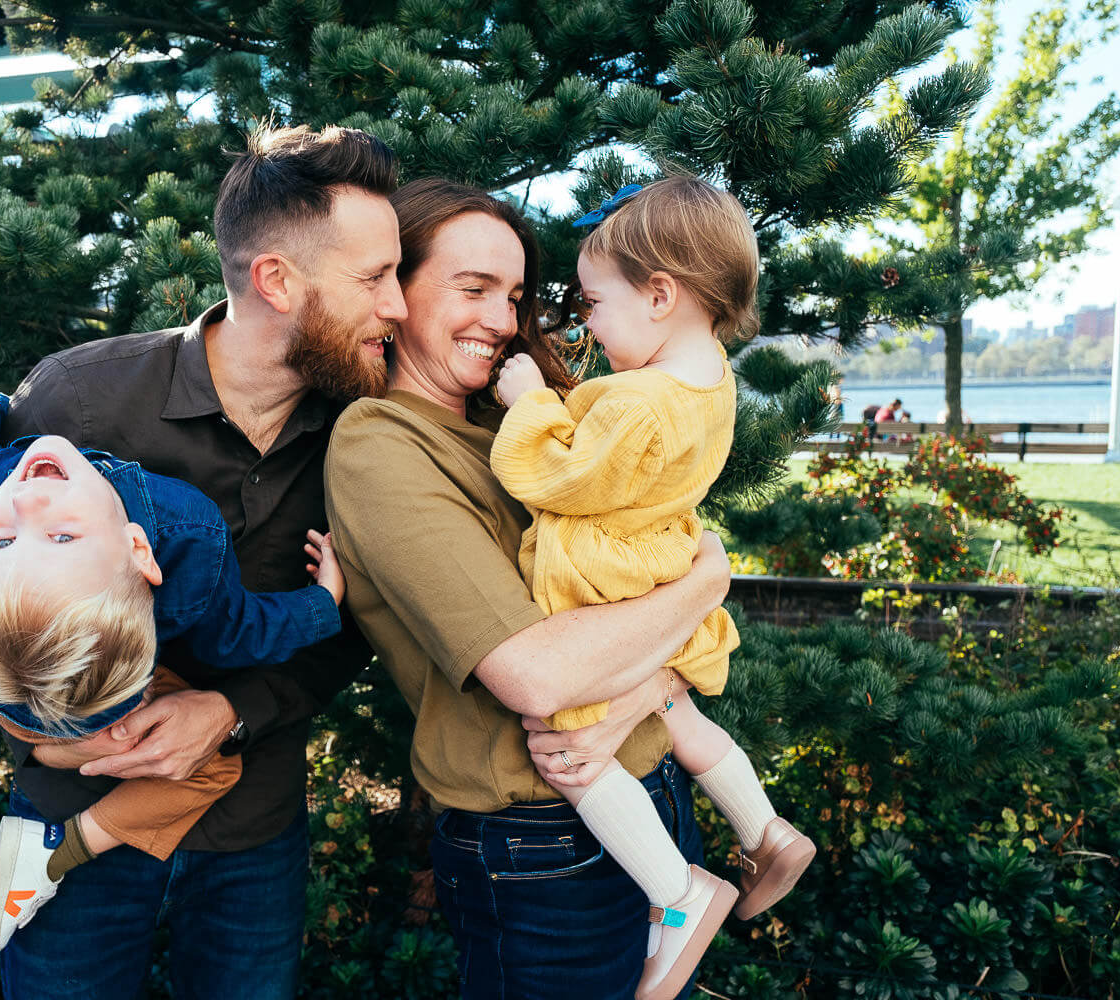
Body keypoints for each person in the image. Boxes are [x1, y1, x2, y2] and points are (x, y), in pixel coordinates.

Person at [0, 123, 405, 999]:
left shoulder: (362, 435)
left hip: (253, 828)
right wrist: (48, 727)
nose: (398, 306)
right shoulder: (82, 398)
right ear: (277, 281)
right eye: (374, 279)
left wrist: (231, 710)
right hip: (68, 824)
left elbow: (355, 622)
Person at [324, 177, 733, 1000]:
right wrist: (709, 580)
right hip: (543, 840)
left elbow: (635, 579)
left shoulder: (515, 433)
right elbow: (537, 675)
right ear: (394, 292)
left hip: (644, 797)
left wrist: (640, 688)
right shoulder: (382, 444)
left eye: (512, 296)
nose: (503, 321)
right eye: (471, 289)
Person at [489, 177, 815, 999]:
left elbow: (558, 478)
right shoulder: (711, 384)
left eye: (595, 302)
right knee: (679, 712)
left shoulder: (637, 399)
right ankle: (763, 826)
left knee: (569, 746)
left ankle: (678, 896)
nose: (587, 323)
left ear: (661, 294)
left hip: (607, 579)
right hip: (665, 560)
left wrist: (528, 401)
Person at [0, 391, 345, 953]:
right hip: (55, 692)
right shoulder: (186, 535)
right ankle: (59, 848)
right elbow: (239, 630)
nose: (28, 505)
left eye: (56, 538)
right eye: (54, 537)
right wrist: (324, 602)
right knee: (212, 770)